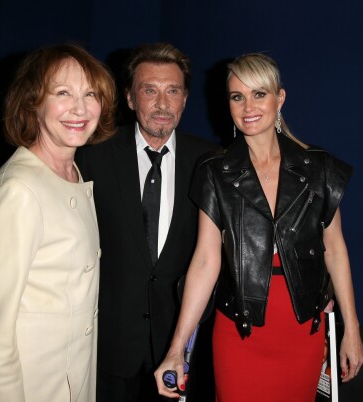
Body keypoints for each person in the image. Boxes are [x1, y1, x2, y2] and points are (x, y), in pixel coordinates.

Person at [154, 52, 363, 402]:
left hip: (302, 332)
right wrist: (177, 347)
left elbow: (336, 249)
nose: (248, 106)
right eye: (237, 96)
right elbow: (206, 262)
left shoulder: (319, 168)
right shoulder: (214, 172)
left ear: (279, 98)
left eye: (259, 94)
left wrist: (351, 329)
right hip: (241, 333)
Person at [0, 43, 117, 402]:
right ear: (32, 102)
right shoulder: (20, 190)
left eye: (90, 94)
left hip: (69, 381)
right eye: (62, 93)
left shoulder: (71, 172)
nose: (80, 108)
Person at [75, 42, 218, 402]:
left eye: (173, 91)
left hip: (180, 342)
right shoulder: (93, 156)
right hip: (109, 342)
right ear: (129, 98)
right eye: (149, 90)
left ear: (185, 98)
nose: (162, 103)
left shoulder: (211, 162)